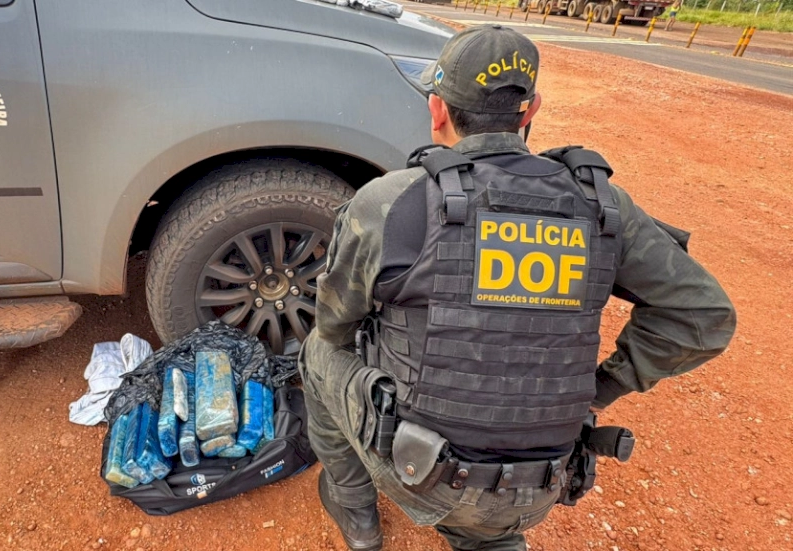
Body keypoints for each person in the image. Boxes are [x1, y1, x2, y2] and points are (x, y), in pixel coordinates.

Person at [299, 24, 735, 551]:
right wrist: (600, 388)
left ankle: (357, 514)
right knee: (490, 524)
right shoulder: (601, 205)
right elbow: (703, 315)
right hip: (544, 481)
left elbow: (334, 323)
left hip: (417, 467)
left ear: (437, 110)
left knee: (318, 351)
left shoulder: (394, 201)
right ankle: (490, 537)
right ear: (530, 112)